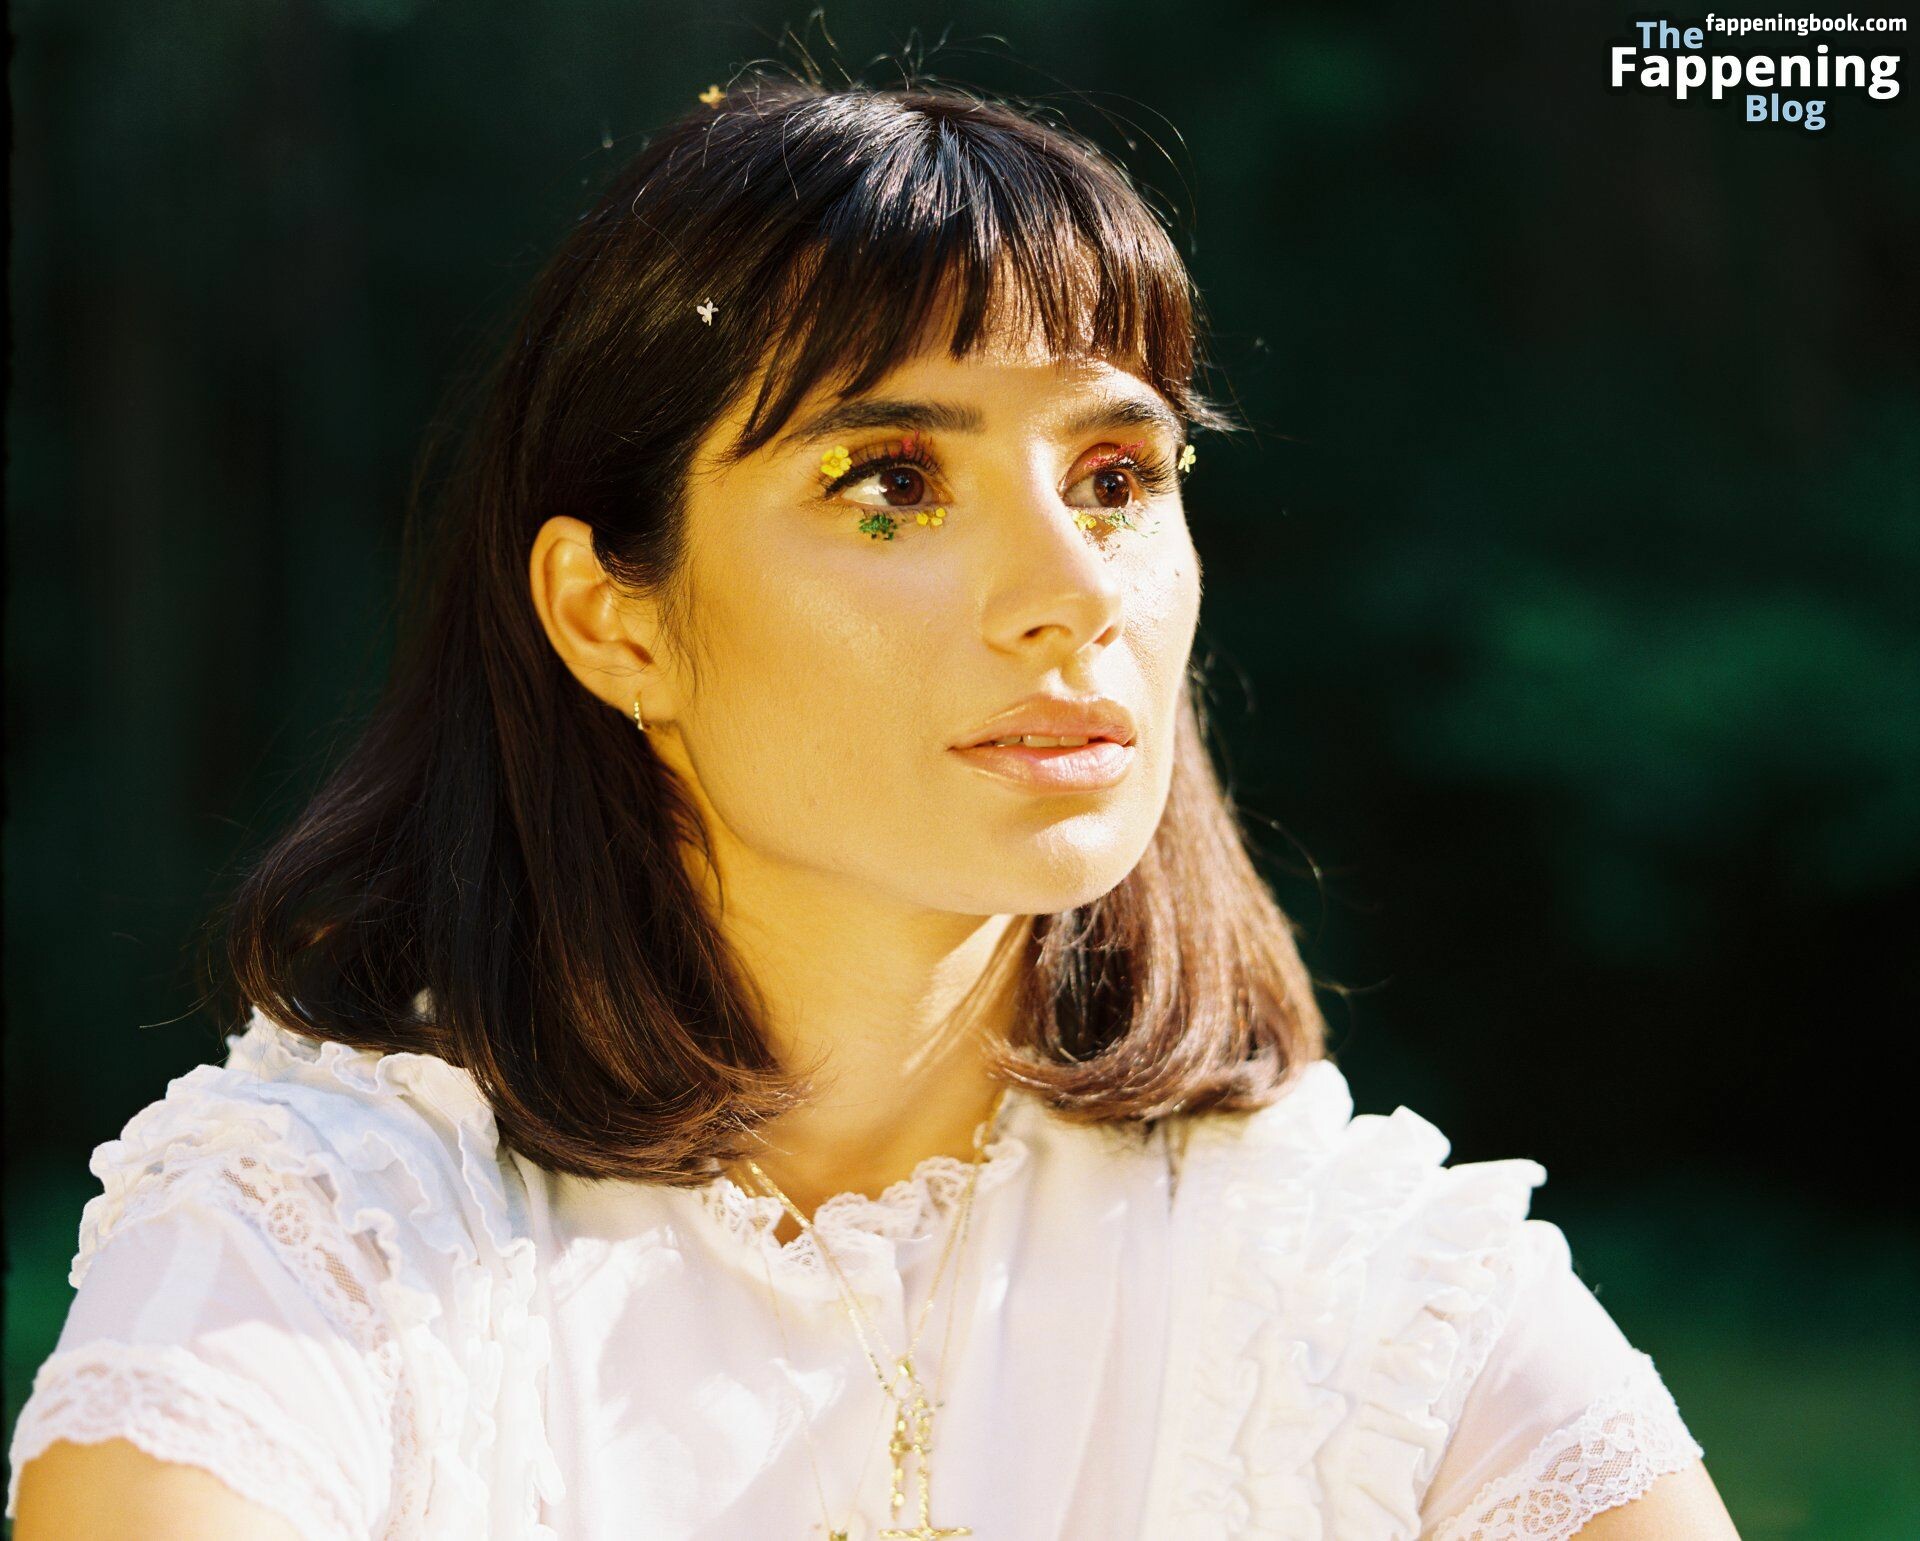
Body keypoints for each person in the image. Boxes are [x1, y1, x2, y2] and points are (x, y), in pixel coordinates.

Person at [8, 78, 1743, 1540]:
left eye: (1118, 476)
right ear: (612, 619)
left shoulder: (1382, 1300)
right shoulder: (310, 1253)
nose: (1075, 590)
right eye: (894, 480)